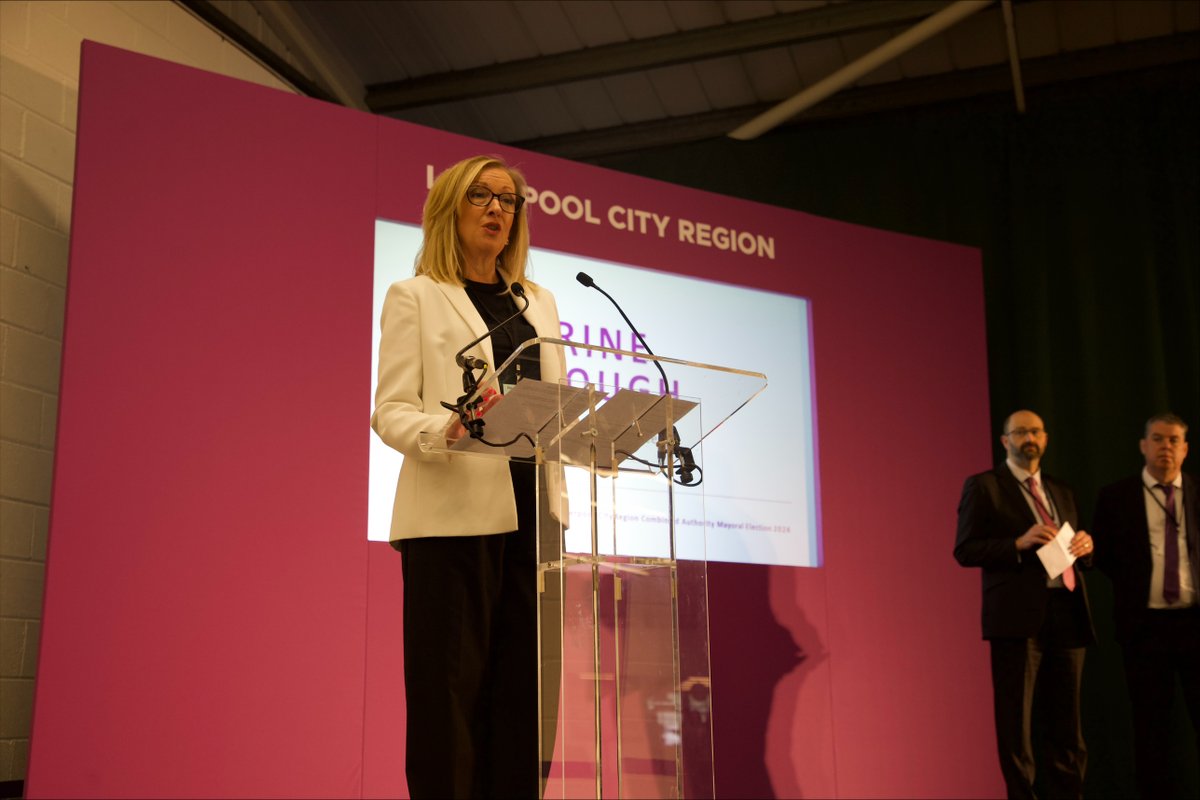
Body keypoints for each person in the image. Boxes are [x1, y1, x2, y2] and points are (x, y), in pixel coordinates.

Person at [371, 155, 566, 799]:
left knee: (524, 691)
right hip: (453, 513)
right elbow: (390, 410)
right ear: (449, 208)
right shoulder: (416, 296)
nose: (496, 210)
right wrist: (445, 429)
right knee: (449, 693)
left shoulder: (538, 303)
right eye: (481, 196)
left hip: (534, 510)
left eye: (508, 201)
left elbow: (553, 404)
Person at [954, 409, 1096, 800]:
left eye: (1035, 431)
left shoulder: (1060, 490)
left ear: (1046, 439)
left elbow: (1069, 549)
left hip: (1066, 613)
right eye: (1019, 432)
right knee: (1017, 726)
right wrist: (1016, 544)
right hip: (1017, 620)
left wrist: (1086, 549)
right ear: (1005, 442)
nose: (1028, 438)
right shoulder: (984, 486)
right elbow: (964, 550)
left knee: (1067, 726)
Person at [1092, 413, 1198, 799]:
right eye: (1157, 439)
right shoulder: (1115, 497)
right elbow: (1102, 557)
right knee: (1150, 730)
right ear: (1143, 446)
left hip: (1195, 625)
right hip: (1144, 630)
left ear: (1185, 449)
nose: (1165, 447)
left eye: (1173, 440)